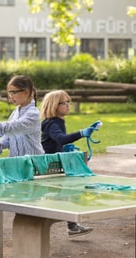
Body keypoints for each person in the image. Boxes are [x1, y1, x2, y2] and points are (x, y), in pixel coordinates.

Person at [40, 90, 95, 237]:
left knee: (65, 192)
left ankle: (72, 226)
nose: (68, 105)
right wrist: (81, 133)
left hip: (53, 163)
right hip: (48, 166)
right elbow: (61, 138)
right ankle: (70, 225)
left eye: (69, 102)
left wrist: (65, 147)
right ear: (54, 105)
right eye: (64, 103)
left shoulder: (55, 122)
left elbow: (57, 142)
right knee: (63, 192)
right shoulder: (52, 123)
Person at [0, 75, 44, 158]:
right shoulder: (15, 112)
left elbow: (15, 127)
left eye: (14, 92)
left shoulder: (33, 114)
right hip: (17, 163)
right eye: (9, 93)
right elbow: (10, 136)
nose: (11, 96)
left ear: (26, 92)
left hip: (33, 164)